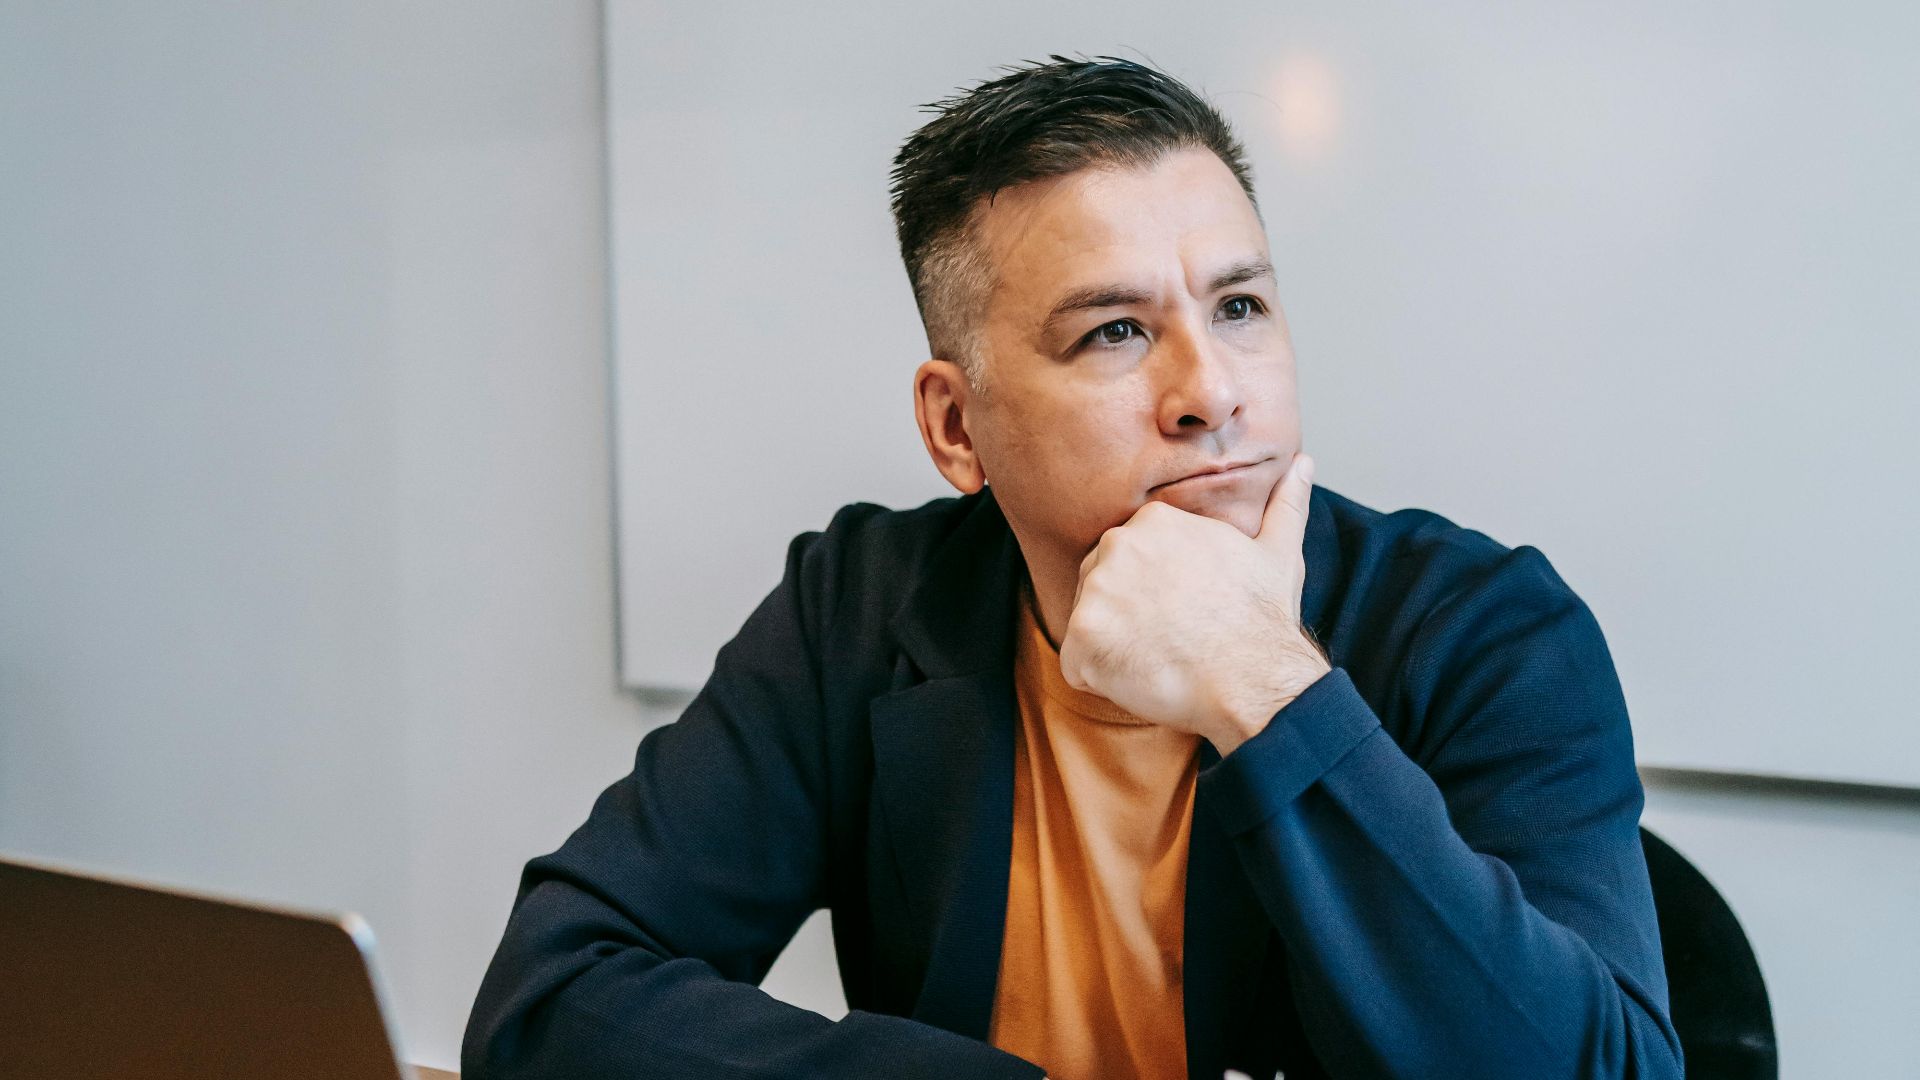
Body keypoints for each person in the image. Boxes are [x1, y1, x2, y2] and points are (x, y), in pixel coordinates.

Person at [462, 55, 1683, 1080]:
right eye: (1116, 331)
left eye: (1240, 308)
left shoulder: (1488, 629)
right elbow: (551, 998)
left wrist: (1269, 690)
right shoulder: (863, 607)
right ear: (956, 428)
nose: (1212, 392)